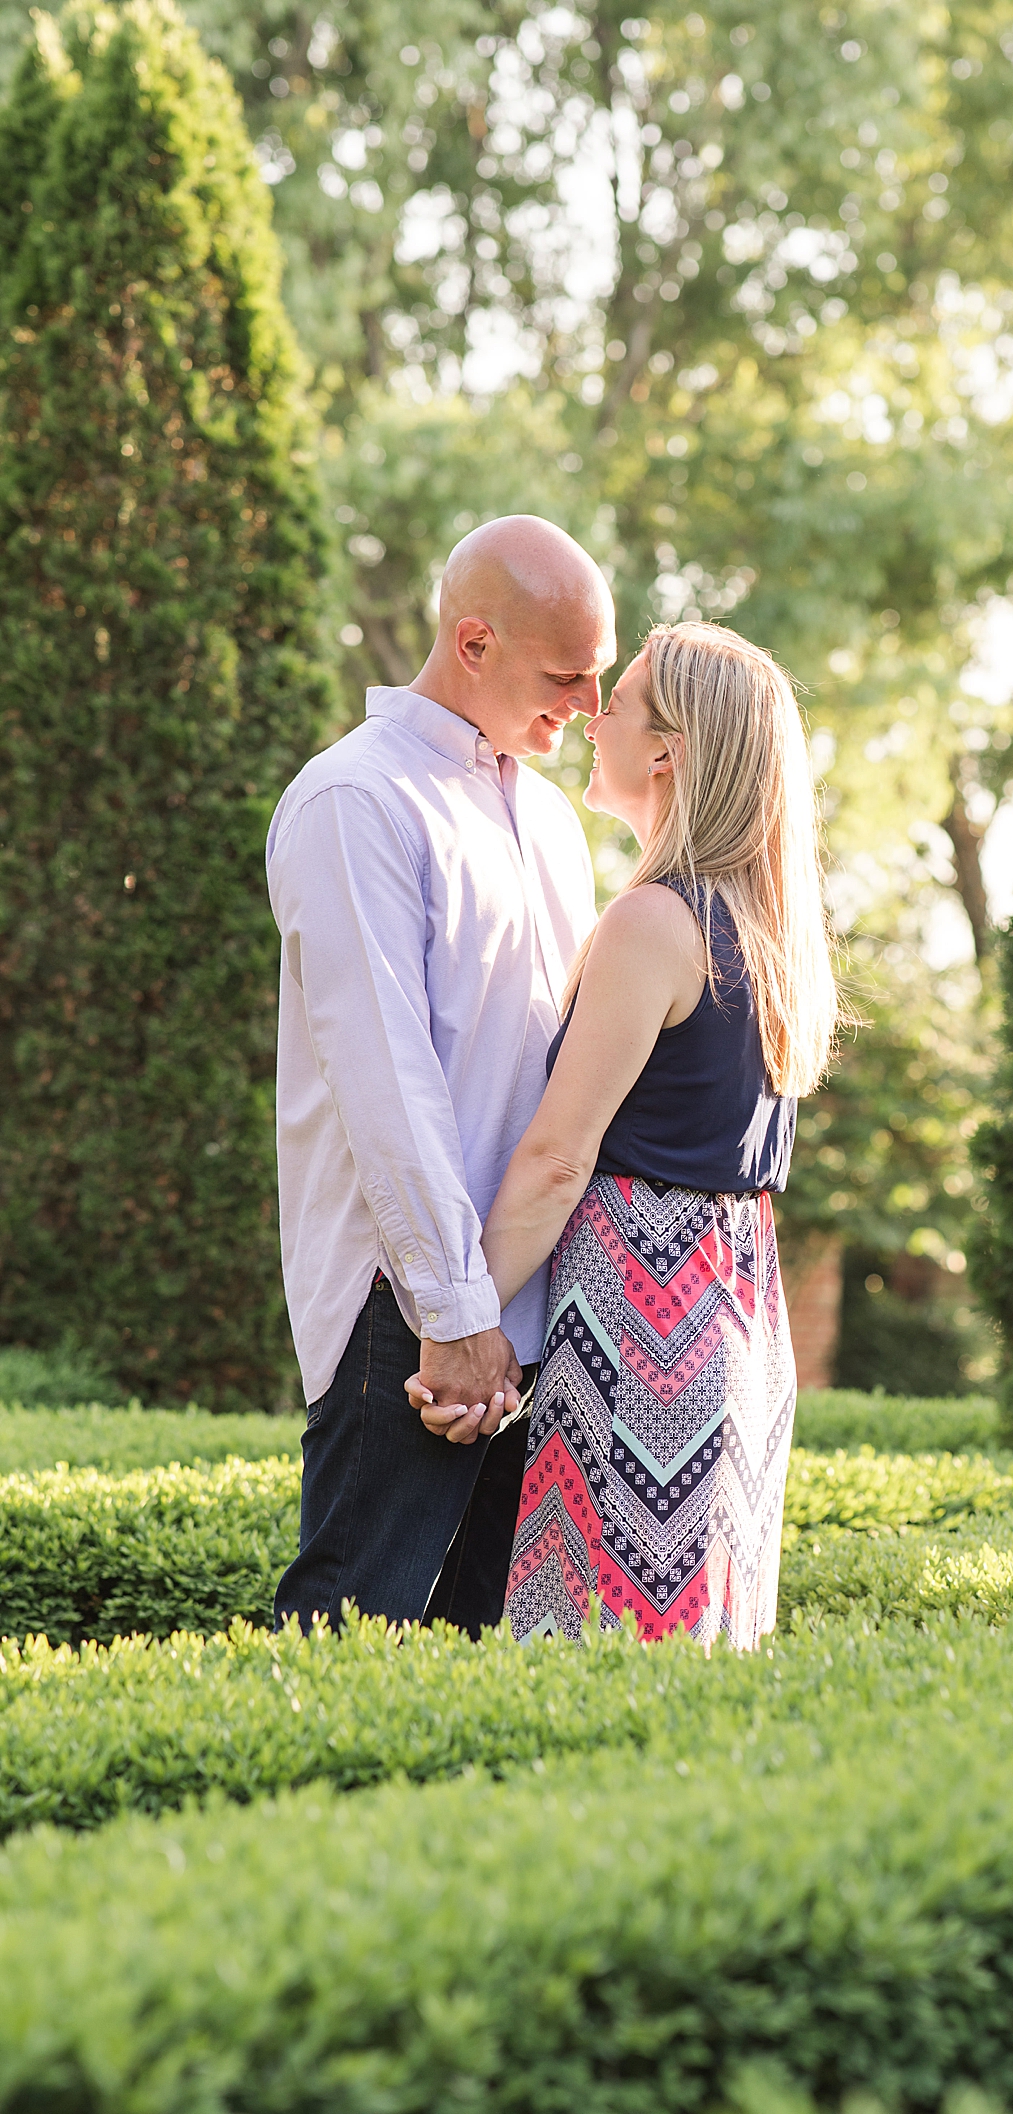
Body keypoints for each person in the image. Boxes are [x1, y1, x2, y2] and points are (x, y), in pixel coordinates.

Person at [407, 620, 839, 1650]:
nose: (593, 717)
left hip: (640, 1318)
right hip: (731, 1312)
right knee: (688, 1640)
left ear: (667, 750)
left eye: (625, 701)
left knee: (593, 1639)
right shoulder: (761, 926)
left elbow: (560, 1158)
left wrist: (459, 1318)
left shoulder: (655, 922)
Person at [267, 515, 614, 1632]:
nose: (589, 706)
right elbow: (388, 1082)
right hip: (406, 1303)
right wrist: (456, 1313)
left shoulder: (554, 822)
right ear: (474, 642)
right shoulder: (354, 800)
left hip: (540, 1300)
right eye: (565, 675)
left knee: (489, 1645)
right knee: (354, 1625)